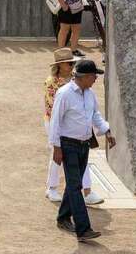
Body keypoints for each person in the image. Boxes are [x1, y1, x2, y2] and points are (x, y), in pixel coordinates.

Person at [48, 58, 114, 242]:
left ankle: (62, 218)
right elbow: (55, 122)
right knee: (76, 186)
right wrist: (56, 147)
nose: (96, 79)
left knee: (73, 184)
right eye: (94, 76)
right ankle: (83, 229)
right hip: (68, 145)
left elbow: (95, 115)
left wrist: (106, 130)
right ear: (84, 77)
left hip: (84, 145)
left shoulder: (89, 94)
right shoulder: (64, 94)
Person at [43, 48, 100, 204]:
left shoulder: (76, 80)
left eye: (73, 63)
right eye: (69, 63)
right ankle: (52, 188)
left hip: (75, 125)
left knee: (82, 158)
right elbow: (54, 110)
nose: (72, 66)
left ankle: (87, 191)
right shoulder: (52, 83)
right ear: (60, 65)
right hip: (56, 122)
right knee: (57, 155)